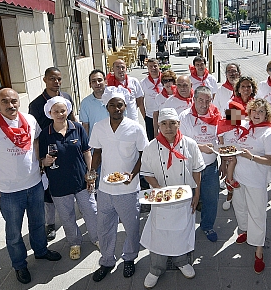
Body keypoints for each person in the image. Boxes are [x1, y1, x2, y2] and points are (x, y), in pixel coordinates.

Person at [0, 88, 62, 284]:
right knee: (14, 232)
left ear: (19, 102)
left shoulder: (30, 120)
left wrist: (40, 162)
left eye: (14, 101)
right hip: (9, 192)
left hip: (34, 185)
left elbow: (37, 139)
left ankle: (40, 251)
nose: (11, 105)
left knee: (38, 224)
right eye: (5, 101)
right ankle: (19, 265)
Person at [140, 108, 205, 288]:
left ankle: (182, 261)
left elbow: (197, 170)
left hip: (184, 199)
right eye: (164, 124)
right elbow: (146, 173)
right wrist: (159, 190)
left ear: (178, 124)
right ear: (159, 125)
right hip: (161, 199)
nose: (168, 128)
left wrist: (197, 193)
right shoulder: (151, 147)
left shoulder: (190, 144)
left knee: (182, 233)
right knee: (159, 235)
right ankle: (155, 269)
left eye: (172, 123)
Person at [89, 90, 149, 282]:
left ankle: (130, 258)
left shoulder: (135, 128)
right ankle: (107, 260)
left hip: (128, 189)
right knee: (104, 227)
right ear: (106, 107)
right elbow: (97, 152)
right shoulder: (99, 127)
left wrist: (133, 174)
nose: (117, 108)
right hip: (105, 188)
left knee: (131, 226)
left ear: (125, 106)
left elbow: (143, 154)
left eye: (120, 105)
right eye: (113, 105)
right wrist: (92, 171)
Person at [39, 96, 98, 260]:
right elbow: (40, 160)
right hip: (59, 184)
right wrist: (45, 161)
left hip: (81, 181)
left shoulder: (77, 128)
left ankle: (97, 238)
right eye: (56, 111)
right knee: (67, 217)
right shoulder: (45, 134)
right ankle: (74, 242)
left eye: (62, 110)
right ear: (50, 113)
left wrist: (91, 173)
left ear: (68, 111)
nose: (59, 114)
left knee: (92, 212)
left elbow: (87, 152)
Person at [231, 98, 271, 274]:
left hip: (256, 180)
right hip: (239, 176)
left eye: (260, 112)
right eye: (253, 111)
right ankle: (245, 231)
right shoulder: (244, 125)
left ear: (266, 114)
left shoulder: (269, 133)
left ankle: (259, 250)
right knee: (240, 208)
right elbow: (224, 118)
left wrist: (251, 156)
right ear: (249, 112)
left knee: (257, 214)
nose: (256, 115)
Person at [29, 67, 76, 242]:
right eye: (52, 79)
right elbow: (33, 132)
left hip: (67, 145)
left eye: (58, 79)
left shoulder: (67, 97)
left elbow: (73, 120)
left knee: (70, 180)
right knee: (48, 189)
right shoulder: (36, 104)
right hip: (48, 150)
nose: (56, 82)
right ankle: (50, 223)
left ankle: (70, 215)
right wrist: (39, 159)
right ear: (45, 80)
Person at [179, 86, 222, 242]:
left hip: (211, 167)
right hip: (190, 168)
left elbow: (222, 139)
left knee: (211, 199)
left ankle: (207, 226)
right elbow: (181, 143)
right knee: (188, 200)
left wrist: (224, 161)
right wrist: (201, 148)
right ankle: (185, 229)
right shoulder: (184, 116)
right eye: (201, 100)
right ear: (194, 99)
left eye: (207, 100)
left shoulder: (216, 115)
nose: (204, 104)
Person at [221, 76, 258, 209]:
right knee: (233, 167)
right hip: (234, 140)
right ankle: (230, 193)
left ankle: (248, 199)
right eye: (243, 86)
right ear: (238, 89)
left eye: (249, 86)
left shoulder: (256, 103)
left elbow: (259, 121)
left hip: (251, 142)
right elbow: (231, 123)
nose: (246, 89)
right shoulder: (231, 103)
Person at [79, 69, 109, 137]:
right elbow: (85, 126)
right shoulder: (85, 103)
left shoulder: (114, 99)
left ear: (105, 82)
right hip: (95, 144)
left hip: (114, 143)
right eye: (94, 81)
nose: (97, 83)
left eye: (100, 80)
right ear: (90, 84)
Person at [141, 58, 163, 141]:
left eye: (155, 66)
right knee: (152, 140)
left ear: (159, 66)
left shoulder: (166, 80)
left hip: (163, 115)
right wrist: (145, 116)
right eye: (150, 66)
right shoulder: (144, 82)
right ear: (147, 68)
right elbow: (141, 101)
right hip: (150, 116)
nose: (153, 68)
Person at [152, 70, 177, 137]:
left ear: (174, 82)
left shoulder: (179, 96)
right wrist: (155, 131)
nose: (168, 83)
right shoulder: (158, 97)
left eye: (170, 80)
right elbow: (155, 115)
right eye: (165, 81)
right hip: (164, 128)